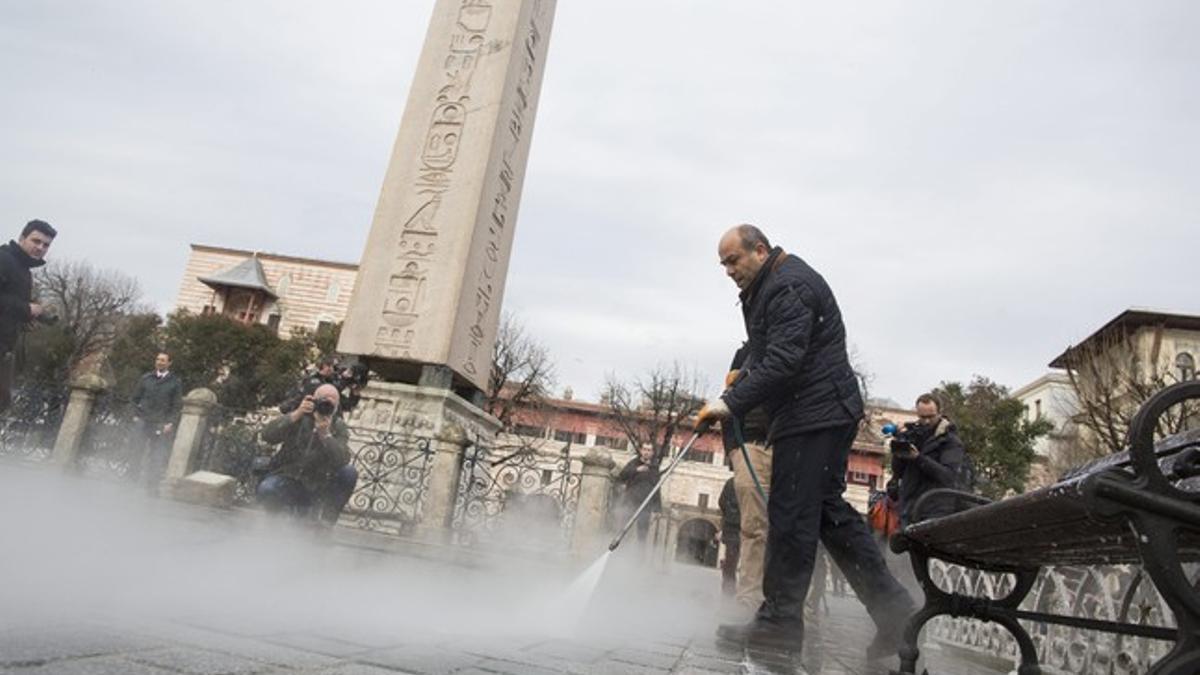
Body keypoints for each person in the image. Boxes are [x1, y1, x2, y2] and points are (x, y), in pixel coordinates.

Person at [697, 224, 914, 659]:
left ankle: (778, 624)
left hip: (814, 412)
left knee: (793, 514)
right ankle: (894, 611)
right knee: (824, 513)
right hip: (816, 410)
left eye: (733, 260)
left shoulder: (788, 285)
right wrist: (741, 378)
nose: (728, 270)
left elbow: (785, 360)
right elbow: (771, 351)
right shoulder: (771, 286)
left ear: (759, 250)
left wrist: (730, 404)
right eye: (723, 264)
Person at [257, 383, 359, 526]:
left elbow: (342, 459)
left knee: (349, 472)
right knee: (268, 488)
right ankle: (273, 522)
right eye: (323, 400)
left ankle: (326, 524)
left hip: (319, 483)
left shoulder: (338, 426)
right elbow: (267, 435)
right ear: (314, 400)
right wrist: (296, 414)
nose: (326, 405)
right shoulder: (300, 417)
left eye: (331, 403)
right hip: (289, 476)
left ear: (336, 406)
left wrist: (326, 436)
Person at [0, 220, 55, 413]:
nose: (40, 248)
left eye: (46, 245)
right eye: (36, 241)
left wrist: (25, 319)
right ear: (22, 238)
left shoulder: (23, 270)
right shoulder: (4, 259)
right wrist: (26, 309)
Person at [889, 393, 966, 527]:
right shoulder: (912, 435)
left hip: (935, 510)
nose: (927, 421)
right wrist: (899, 451)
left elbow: (948, 476)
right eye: (922, 417)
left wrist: (918, 458)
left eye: (931, 417)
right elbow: (898, 471)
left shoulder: (950, 441)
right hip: (909, 507)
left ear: (940, 413)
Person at [130, 351, 183, 490]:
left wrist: (170, 422)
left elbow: (176, 406)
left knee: (156, 455)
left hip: (160, 423)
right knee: (136, 451)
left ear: (169, 363)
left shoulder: (175, 382)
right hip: (143, 421)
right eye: (158, 359)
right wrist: (135, 415)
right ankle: (131, 481)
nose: (159, 362)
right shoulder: (146, 378)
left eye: (163, 360)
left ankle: (151, 486)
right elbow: (135, 398)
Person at [615, 445, 661, 543]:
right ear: (640, 450)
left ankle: (640, 556)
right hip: (630, 502)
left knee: (642, 535)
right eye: (644, 449)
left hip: (645, 505)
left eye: (649, 450)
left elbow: (657, 488)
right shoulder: (633, 463)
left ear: (652, 453)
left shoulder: (654, 468)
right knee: (623, 531)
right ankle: (619, 552)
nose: (646, 452)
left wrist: (657, 509)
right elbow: (621, 476)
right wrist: (636, 470)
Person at [718, 476, 740, 597]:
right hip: (739, 527)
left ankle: (728, 592)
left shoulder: (731, 482)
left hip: (732, 527)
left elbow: (721, 502)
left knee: (730, 563)